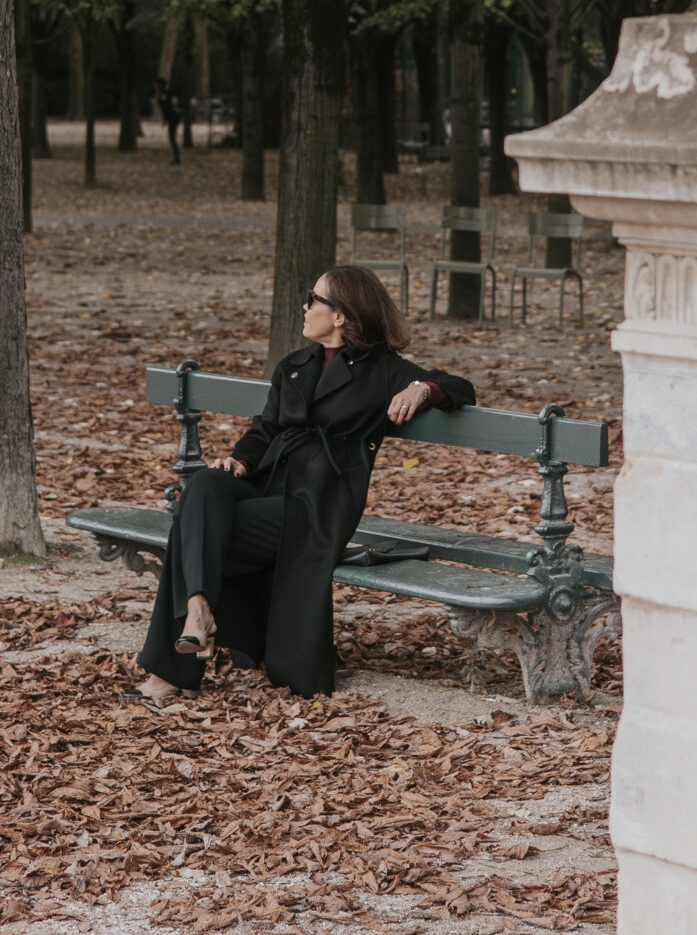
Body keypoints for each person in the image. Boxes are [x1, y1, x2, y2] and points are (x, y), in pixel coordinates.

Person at [128, 264, 474, 702]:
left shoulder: (382, 370)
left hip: (319, 504)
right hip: (268, 483)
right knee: (203, 486)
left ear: (342, 315)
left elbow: (460, 387)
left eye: (313, 300)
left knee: (191, 531)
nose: (305, 307)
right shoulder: (294, 365)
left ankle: (172, 668)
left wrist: (421, 389)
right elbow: (264, 430)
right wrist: (239, 461)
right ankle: (196, 611)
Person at [155, 75, 183, 165]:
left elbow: (167, 107)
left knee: (172, 138)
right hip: (174, 117)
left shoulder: (164, 94)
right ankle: (176, 156)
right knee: (172, 138)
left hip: (173, 118)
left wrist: (166, 118)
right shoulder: (165, 93)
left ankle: (177, 157)